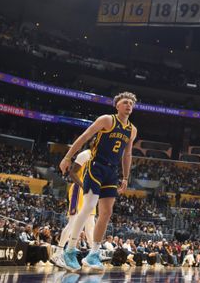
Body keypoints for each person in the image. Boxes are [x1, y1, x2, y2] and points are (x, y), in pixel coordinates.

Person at [59, 92, 138, 270]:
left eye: (131, 103)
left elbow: (127, 154)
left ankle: (93, 253)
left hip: (112, 171)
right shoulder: (107, 120)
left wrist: (126, 177)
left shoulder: (132, 130)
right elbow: (85, 136)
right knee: (88, 207)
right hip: (96, 165)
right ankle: (70, 249)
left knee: (106, 213)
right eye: (125, 102)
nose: (129, 105)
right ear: (117, 105)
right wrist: (67, 157)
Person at [51, 149, 96, 269]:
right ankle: (58, 253)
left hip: (90, 192)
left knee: (90, 225)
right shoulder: (86, 154)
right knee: (72, 224)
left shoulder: (98, 157)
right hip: (79, 190)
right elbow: (72, 172)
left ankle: (94, 254)